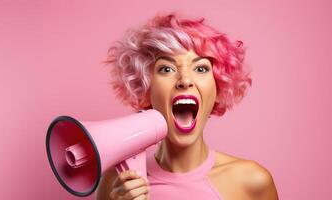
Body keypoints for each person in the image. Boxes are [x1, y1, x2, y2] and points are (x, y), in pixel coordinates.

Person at [95, 13, 278, 200]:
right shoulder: (117, 185)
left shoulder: (252, 182)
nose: (185, 80)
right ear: (146, 89)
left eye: (200, 68)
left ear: (218, 88)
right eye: (167, 69)